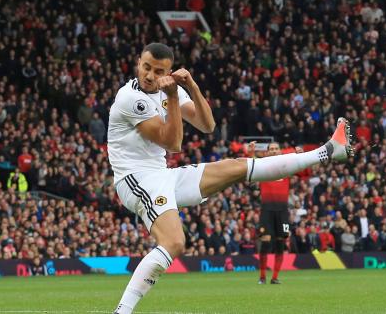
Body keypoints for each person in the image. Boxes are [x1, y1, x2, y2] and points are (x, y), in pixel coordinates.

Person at [108, 43, 354, 314]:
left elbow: (208, 125)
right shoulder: (130, 98)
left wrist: (191, 86)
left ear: (169, 71)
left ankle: (328, 150)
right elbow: (174, 143)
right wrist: (174, 97)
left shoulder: (171, 90)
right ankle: (122, 311)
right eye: (146, 67)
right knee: (174, 242)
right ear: (138, 63)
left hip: (163, 175)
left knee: (238, 167)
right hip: (136, 179)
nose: (150, 75)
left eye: (159, 70)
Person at [249, 141, 301, 285]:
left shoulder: (287, 166)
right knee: (265, 242)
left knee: (280, 244)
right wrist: (251, 153)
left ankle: (275, 277)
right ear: (267, 152)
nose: (273, 151)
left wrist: (299, 153)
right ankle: (262, 277)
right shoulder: (263, 166)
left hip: (282, 211)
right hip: (267, 210)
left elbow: (301, 163)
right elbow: (251, 167)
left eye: (276, 149)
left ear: (280, 151)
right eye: (271, 149)